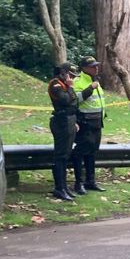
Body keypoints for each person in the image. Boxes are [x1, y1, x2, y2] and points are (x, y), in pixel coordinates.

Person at [71, 56, 107, 194]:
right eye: (93, 66)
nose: (96, 68)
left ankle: (90, 181)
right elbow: (75, 100)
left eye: (96, 65)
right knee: (80, 152)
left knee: (92, 153)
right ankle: (78, 183)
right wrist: (89, 88)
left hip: (97, 123)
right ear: (85, 68)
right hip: (85, 123)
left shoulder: (95, 81)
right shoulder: (78, 81)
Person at [48, 62, 79, 201]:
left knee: (66, 155)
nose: (72, 78)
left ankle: (64, 186)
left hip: (70, 120)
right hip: (61, 122)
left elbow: (74, 103)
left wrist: (75, 121)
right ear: (64, 73)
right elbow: (66, 100)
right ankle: (59, 187)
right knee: (60, 156)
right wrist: (71, 88)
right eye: (71, 75)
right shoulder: (56, 85)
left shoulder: (65, 85)